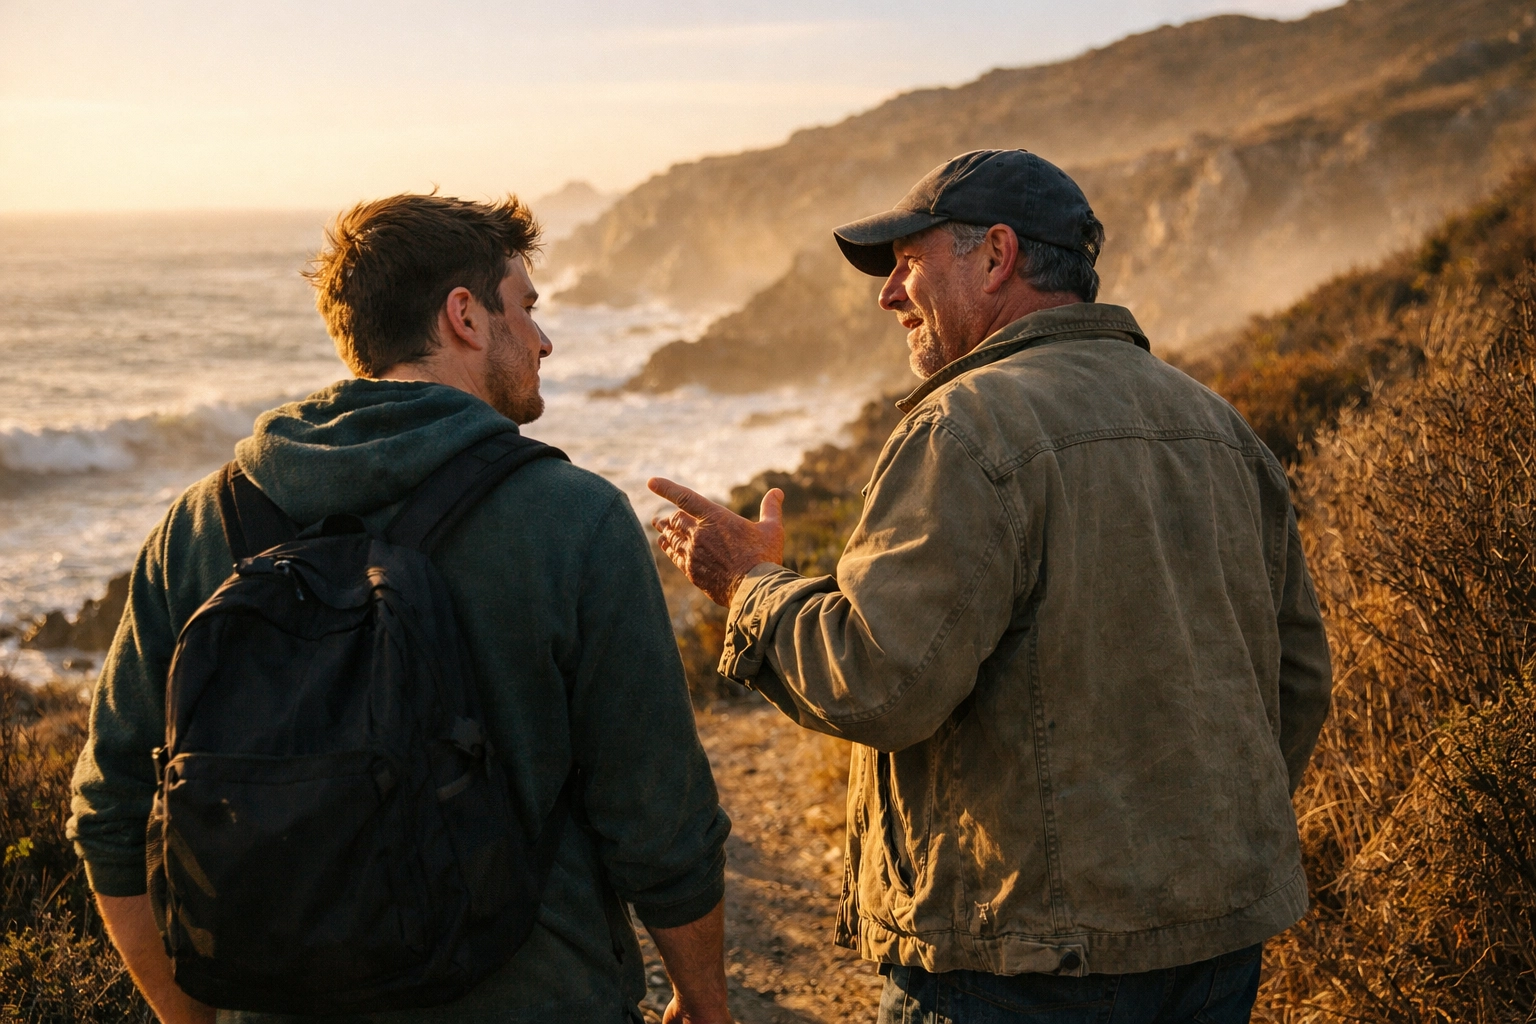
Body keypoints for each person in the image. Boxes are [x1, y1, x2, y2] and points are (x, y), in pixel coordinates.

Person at [649, 149, 1333, 1024]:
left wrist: (750, 583)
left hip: (1024, 968)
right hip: (1216, 947)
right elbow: (1299, 676)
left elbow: (881, 681)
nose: (888, 295)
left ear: (997, 256)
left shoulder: (966, 425)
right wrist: (1204, 853)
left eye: (907, 264)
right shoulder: (1219, 426)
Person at [69, 193, 734, 1024]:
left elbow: (111, 809)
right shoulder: (576, 520)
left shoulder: (202, 523)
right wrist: (704, 1001)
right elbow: (657, 814)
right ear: (464, 315)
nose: (542, 338)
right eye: (525, 307)